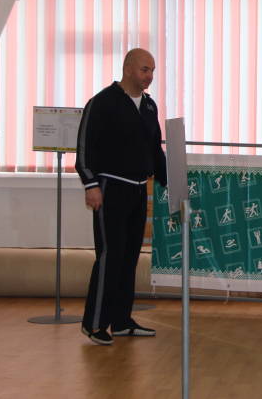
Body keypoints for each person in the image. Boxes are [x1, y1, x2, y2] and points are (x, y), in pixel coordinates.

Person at [76, 48, 167, 345]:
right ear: (128, 68)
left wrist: (171, 181)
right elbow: (84, 148)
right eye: (144, 69)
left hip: (138, 190)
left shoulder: (149, 106)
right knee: (110, 257)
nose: (149, 76)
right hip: (110, 189)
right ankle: (94, 324)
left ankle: (122, 321)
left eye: (152, 70)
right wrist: (91, 185)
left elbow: (154, 149)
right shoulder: (102, 102)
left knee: (129, 258)